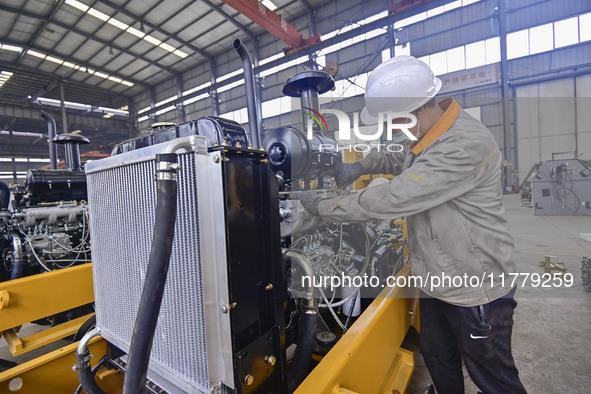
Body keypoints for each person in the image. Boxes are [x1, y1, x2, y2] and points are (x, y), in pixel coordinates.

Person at [298, 56, 527, 394]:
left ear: (414, 111)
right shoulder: (431, 132)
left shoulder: (462, 145)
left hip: (475, 288)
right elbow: (396, 155)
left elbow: (396, 197)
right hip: (437, 281)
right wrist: (358, 167)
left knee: (492, 375)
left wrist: (326, 207)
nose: (391, 131)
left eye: (392, 122)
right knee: (439, 357)